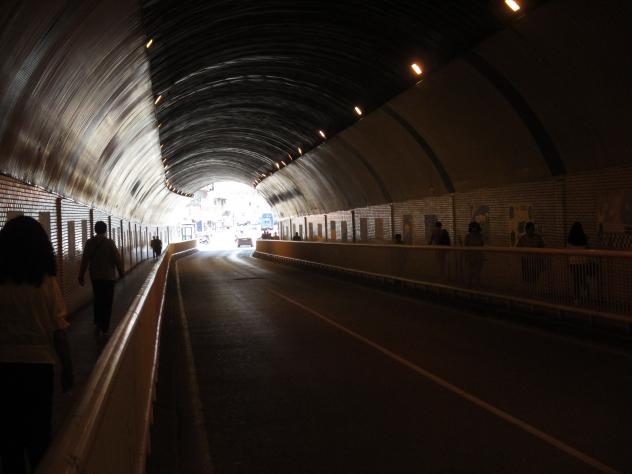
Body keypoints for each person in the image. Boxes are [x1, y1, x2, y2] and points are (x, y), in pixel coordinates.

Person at [0, 216, 74, 473]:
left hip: (3, 368)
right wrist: (67, 369)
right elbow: (59, 333)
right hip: (39, 368)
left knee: (8, 440)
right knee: (39, 435)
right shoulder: (47, 284)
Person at [78, 221, 124, 337]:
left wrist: (81, 275)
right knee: (107, 301)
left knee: (98, 299)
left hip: (96, 277)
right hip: (109, 278)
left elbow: (85, 260)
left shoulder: (89, 243)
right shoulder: (110, 243)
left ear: (95, 229)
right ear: (105, 230)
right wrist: (121, 272)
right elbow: (117, 259)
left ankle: (98, 322)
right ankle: (105, 327)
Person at [516, 222, 546, 293]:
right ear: (526, 230)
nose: (532, 231)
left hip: (536, 262)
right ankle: (528, 292)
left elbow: (543, 247)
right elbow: (517, 248)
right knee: (527, 279)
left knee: (535, 279)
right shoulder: (522, 238)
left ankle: (534, 292)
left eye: (533, 229)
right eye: (531, 229)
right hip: (526, 263)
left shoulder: (538, 237)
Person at [567, 222, 591, 302]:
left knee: (576, 280)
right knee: (582, 278)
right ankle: (586, 291)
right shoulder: (584, 237)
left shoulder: (570, 238)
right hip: (583, 261)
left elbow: (567, 250)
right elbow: (588, 248)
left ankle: (577, 298)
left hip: (573, 261)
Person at [464, 221, 485, 288]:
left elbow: (482, 245)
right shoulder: (468, 236)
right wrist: (466, 256)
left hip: (478, 256)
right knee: (470, 271)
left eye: (475, 227)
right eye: (472, 227)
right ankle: (469, 284)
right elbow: (465, 246)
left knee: (478, 272)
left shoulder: (480, 236)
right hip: (470, 256)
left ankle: (477, 284)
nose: (474, 229)